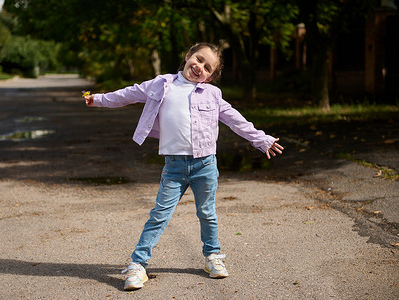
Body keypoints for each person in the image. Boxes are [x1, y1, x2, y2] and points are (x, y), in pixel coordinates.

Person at [84, 42, 284, 290]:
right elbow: (129, 93)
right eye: (198, 59)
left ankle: (213, 257)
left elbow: (235, 119)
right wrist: (99, 99)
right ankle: (138, 265)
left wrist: (261, 139)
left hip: (205, 165)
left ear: (211, 76)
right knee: (159, 215)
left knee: (207, 213)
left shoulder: (213, 94)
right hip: (174, 166)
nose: (199, 67)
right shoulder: (162, 84)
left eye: (207, 67)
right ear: (188, 55)